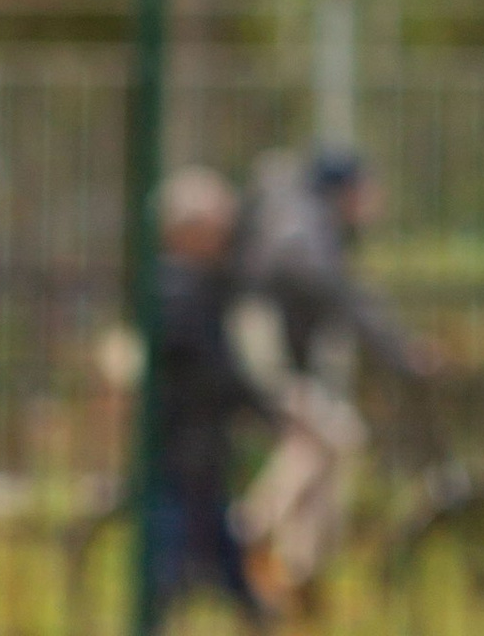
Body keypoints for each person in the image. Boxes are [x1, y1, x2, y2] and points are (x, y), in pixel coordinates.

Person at [232, 150, 433, 611]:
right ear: (347, 190)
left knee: (324, 443)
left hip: (274, 350)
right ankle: (252, 532)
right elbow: (340, 292)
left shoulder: (308, 222)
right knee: (334, 436)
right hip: (265, 350)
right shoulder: (304, 226)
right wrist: (399, 350)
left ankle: (294, 567)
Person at [147, 166, 282, 622]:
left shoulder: (187, 284)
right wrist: (263, 408)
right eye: (219, 226)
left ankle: (255, 613)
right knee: (173, 565)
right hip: (185, 448)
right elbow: (214, 368)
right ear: (188, 231)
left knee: (216, 556)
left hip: (196, 448)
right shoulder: (179, 290)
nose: (228, 236)